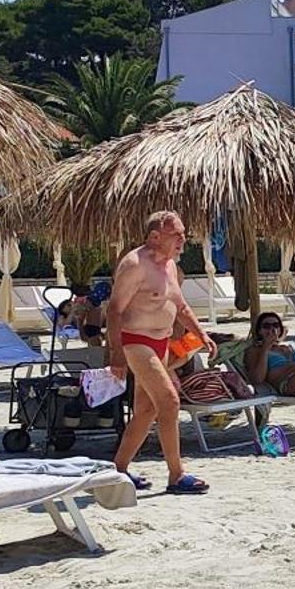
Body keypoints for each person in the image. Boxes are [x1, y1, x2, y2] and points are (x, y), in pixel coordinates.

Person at [106, 210, 212, 496]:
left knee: (146, 409)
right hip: (135, 341)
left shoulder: (169, 266)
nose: (183, 240)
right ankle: (177, 475)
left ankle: (118, 469)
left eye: (183, 234)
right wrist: (116, 353)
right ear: (155, 236)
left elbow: (180, 306)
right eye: (176, 235)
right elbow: (114, 309)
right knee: (169, 402)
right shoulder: (134, 264)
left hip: (160, 343)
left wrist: (201, 334)